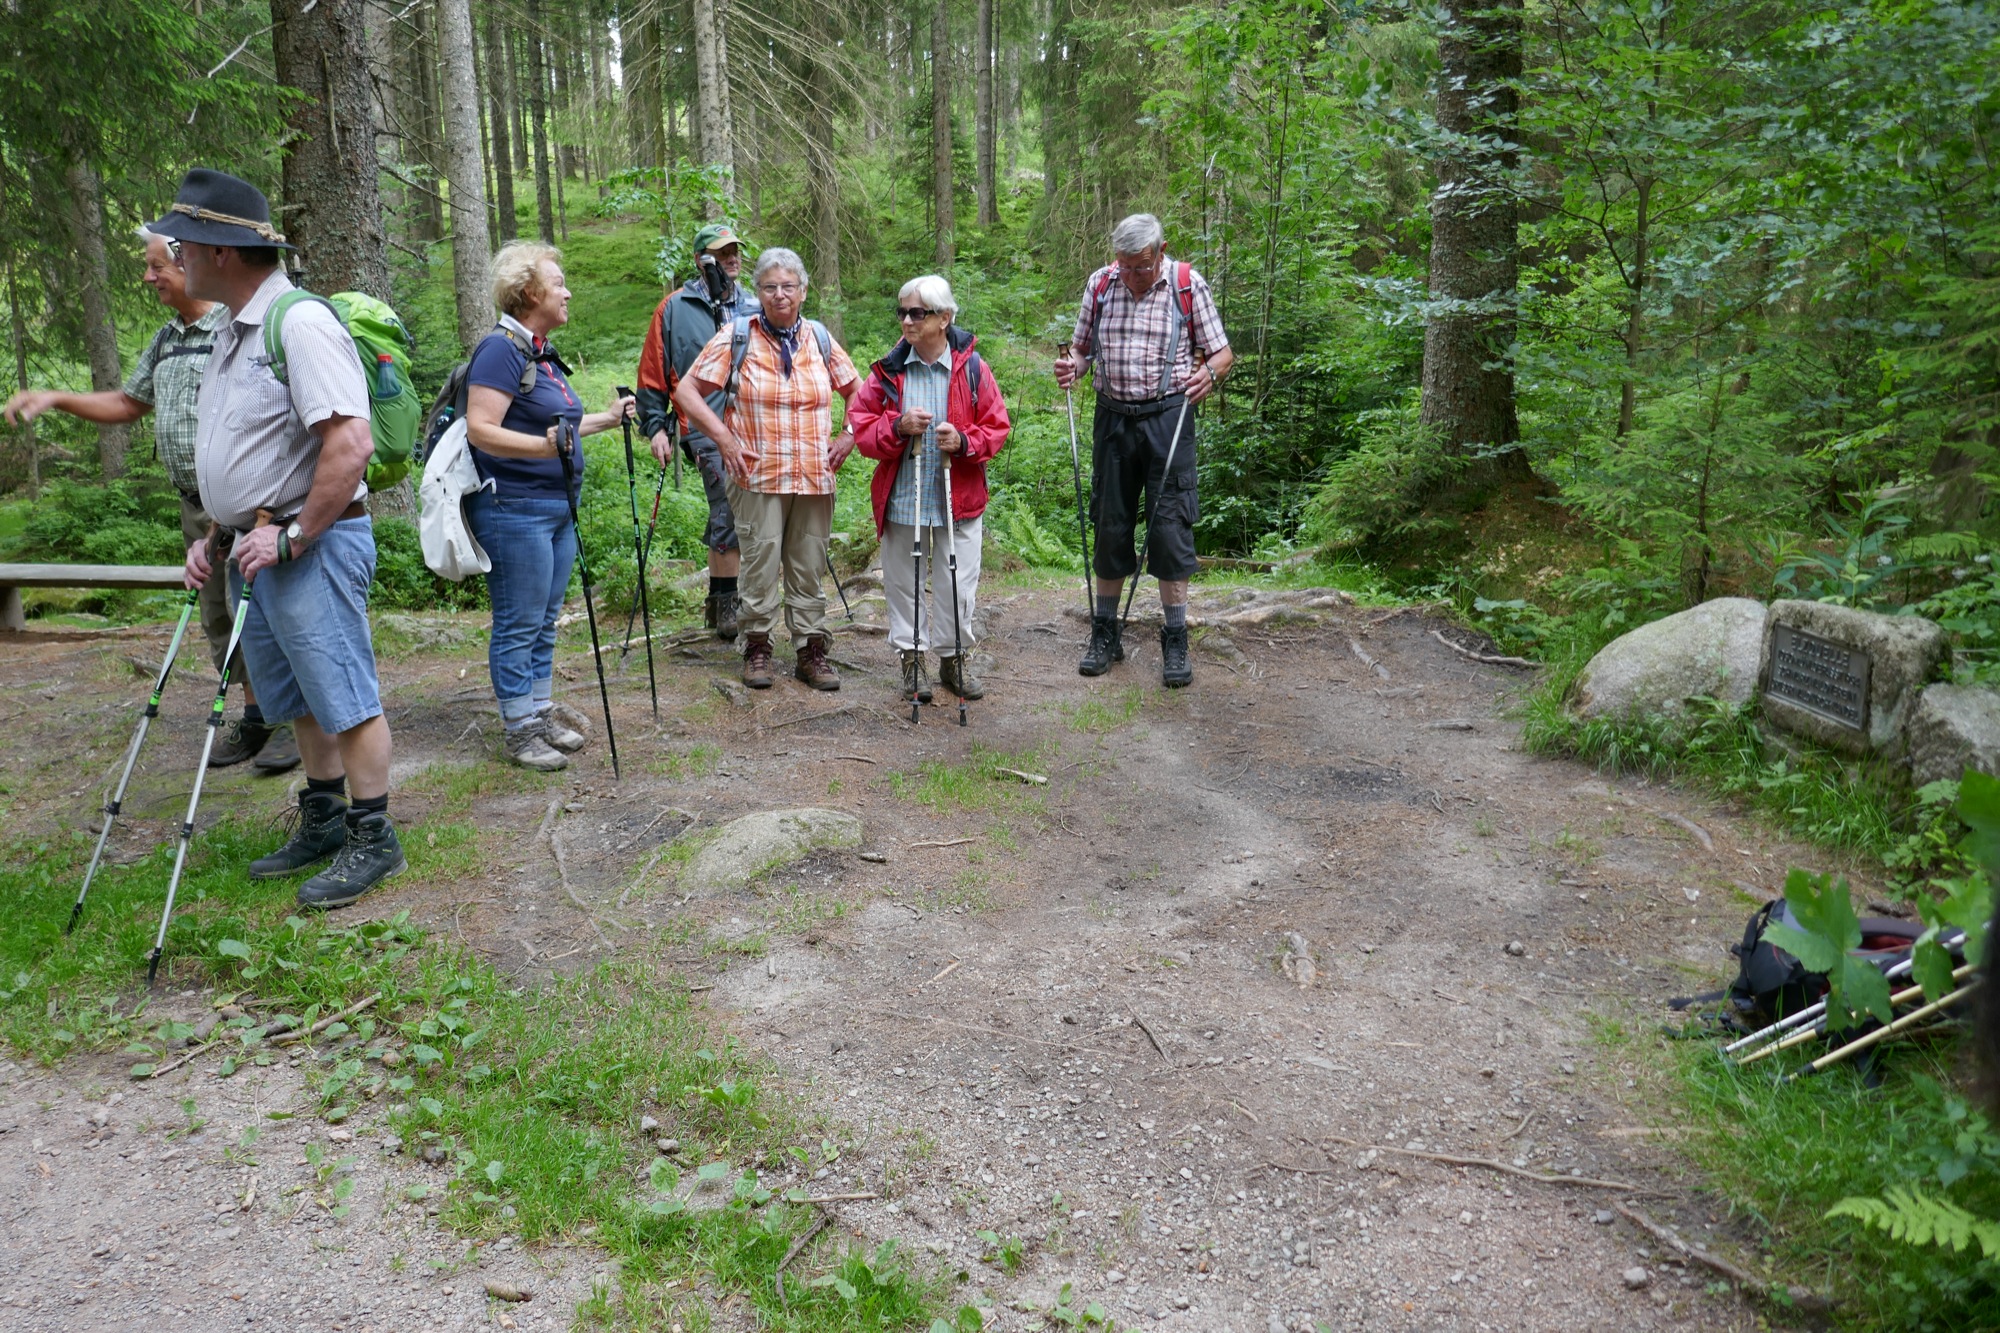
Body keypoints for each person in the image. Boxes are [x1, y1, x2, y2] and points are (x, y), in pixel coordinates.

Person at [150, 167, 399, 909]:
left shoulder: (301, 323)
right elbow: (249, 450)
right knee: (299, 698)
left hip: (309, 548)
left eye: (183, 243)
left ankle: (374, 836)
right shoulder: (235, 328)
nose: (176, 255)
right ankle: (323, 818)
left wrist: (293, 537)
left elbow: (349, 445)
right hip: (255, 550)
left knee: (345, 696)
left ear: (220, 250)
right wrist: (220, 536)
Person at [1, 228, 298, 772]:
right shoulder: (167, 338)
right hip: (197, 507)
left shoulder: (235, 327)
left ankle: (290, 723)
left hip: (253, 504)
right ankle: (257, 718)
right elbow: (127, 401)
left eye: (157, 265)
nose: (148, 277)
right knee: (218, 617)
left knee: (261, 612)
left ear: (188, 263)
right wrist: (56, 398)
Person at [463, 242, 636, 771]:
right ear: (530, 292)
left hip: (556, 509)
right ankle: (519, 729)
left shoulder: (538, 351)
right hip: (514, 509)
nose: (567, 291)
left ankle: (538, 713)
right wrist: (542, 448)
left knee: (543, 620)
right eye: (558, 283)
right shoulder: (500, 350)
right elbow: (481, 428)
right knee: (518, 621)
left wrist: (607, 419)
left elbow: (558, 429)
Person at [1054, 213, 1234, 689]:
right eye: (1125, 265)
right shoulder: (1100, 284)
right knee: (1110, 523)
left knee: (1170, 525)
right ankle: (1105, 633)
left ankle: (1175, 638)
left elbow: (1222, 353)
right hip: (1112, 417)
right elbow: (1081, 349)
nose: (1132, 275)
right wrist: (1070, 366)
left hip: (1168, 417)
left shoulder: (1186, 285)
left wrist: (1210, 375)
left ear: (1161, 250)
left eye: (1142, 266)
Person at [671, 248, 861, 692]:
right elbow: (687, 391)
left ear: (803, 291)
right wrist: (723, 438)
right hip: (758, 474)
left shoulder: (819, 338)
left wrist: (850, 433)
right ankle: (757, 646)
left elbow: (859, 391)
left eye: (788, 287)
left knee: (809, 562)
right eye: (770, 287)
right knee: (758, 561)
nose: (779, 295)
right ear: (757, 292)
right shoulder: (737, 335)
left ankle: (811, 651)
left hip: (814, 474)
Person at [848, 275, 1011, 703]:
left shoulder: (972, 368)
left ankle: (953, 656)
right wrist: (897, 426)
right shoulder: (888, 370)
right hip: (903, 492)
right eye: (901, 312)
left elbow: (997, 427)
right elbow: (861, 427)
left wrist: (963, 441)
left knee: (959, 583)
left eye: (916, 313)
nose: (906, 320)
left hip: (958, 497)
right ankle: (912, 658)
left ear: (944, 318)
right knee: (903, 582)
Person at [635, 223, 753, 637]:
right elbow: (652, 374)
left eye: (735, 250)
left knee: (747, 509)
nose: (732, 258)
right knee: (727, 501)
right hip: (701, 424)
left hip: (756, 425)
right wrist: (655, 428)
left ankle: (733, 599)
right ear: (701, 259)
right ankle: (726, 605)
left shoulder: (754, 306)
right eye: (722, 253)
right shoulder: (674, 308)